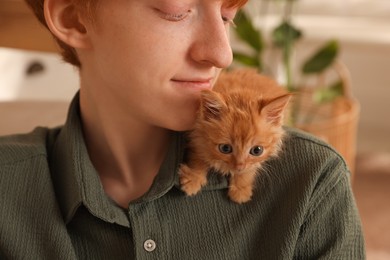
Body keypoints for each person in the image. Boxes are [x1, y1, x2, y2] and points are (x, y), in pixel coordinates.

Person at [0, 0, 365, 259]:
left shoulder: (312, 181)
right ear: (74, 19)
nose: (221, 54)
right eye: (177, 12)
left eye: (226, 16)